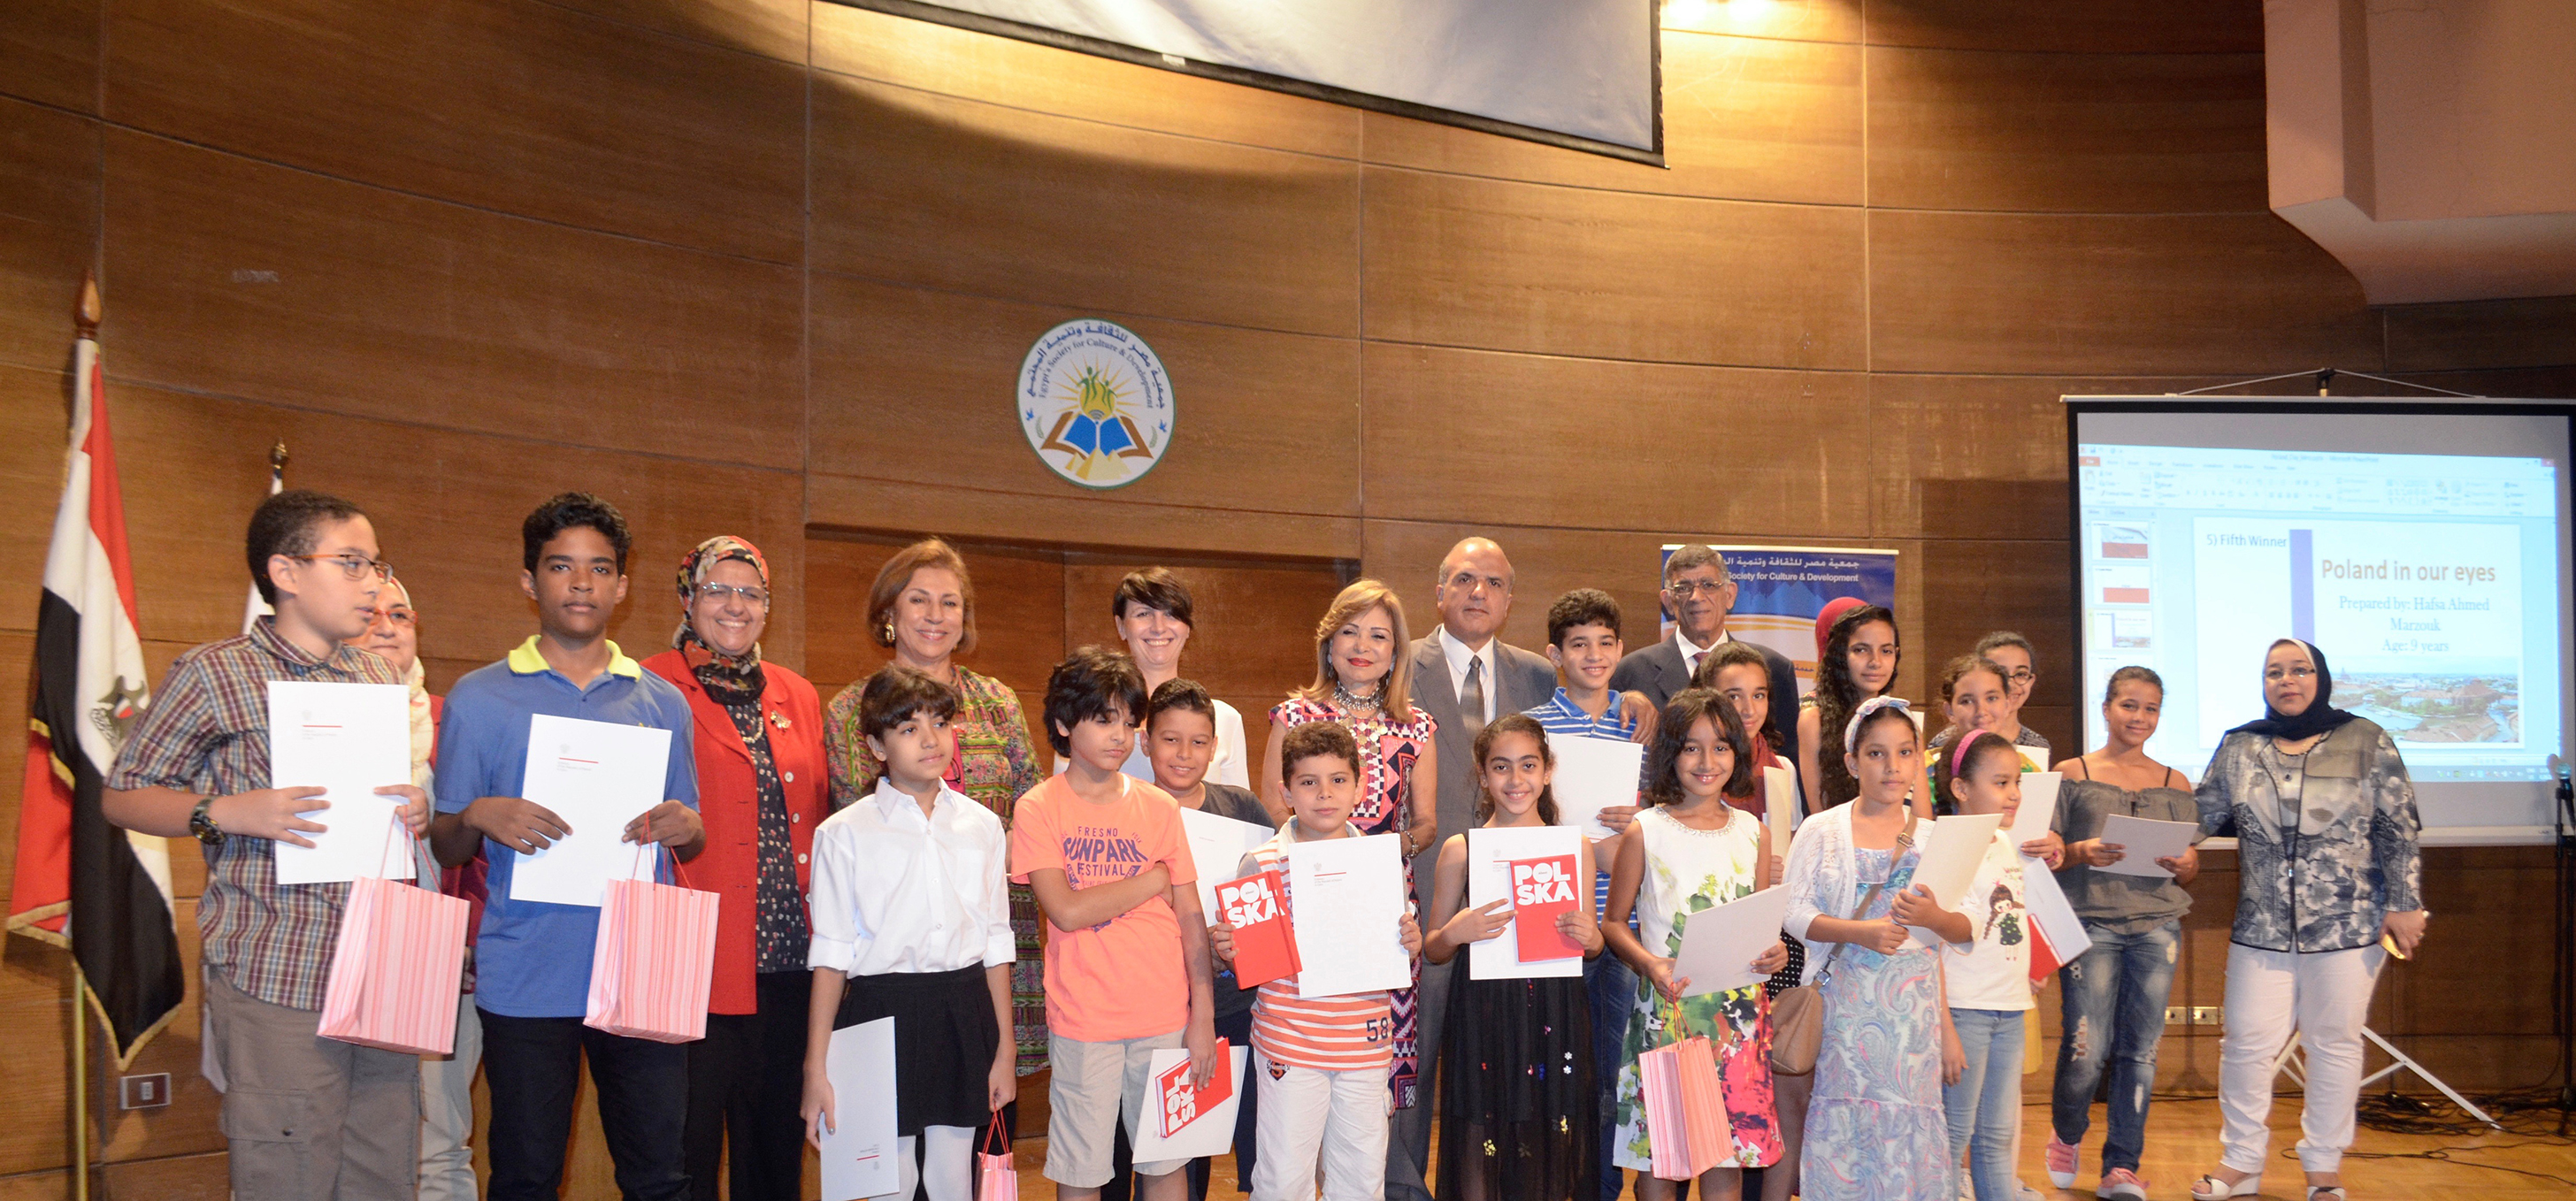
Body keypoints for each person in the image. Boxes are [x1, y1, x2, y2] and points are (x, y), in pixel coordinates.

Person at [103, 489, 431, 1201]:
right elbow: (123, 794)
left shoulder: (377, 674)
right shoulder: (214, 672)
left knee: (384, 1172)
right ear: (285, 572)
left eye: (376, 564)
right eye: (352, 563)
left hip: (379, 968)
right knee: (289, 1174)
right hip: (277, 967)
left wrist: (415, 808)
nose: (373, 583)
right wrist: (227, 811)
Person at [428, 493, 705, 1201]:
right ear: (529, 581)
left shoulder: (663, 702)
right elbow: (447, 845)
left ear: (622, 585)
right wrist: (479, 813)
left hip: (640, 969)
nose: (582, 583)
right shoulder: (478, 698)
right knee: (526, 1177)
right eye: (561, 566)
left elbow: (690, 829)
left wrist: (687, 825)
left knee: (660, 1177)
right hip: (526, 971)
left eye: (600, 568)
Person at [2189, 639, 2424, 1201]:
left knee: (2334, 1043)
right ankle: (2241, 1161)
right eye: (2274, 672)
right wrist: (2145, 832)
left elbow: (2398, 827)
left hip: (2349, 926)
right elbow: (2200, 815)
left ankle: (2322, 1167)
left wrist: (2405, 902)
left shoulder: (2366, 739)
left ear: (2320, 679)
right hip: (2261, 926)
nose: (2286, 681)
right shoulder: (2241, 745)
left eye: (2299, 670)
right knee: (2244, 1042)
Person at [642, 536, 829, 1201]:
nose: (734, 604)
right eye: (717, 589)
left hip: (788, 961)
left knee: (775, 1152)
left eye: (751, 593)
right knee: (687, 1151)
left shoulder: (797, 693)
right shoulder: (647, 684)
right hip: (691, 960)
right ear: (687, 597)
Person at [820, 538, 1047, 1075]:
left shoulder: (997, 701)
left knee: (988, 1095)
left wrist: (995, 845)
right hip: (898, 947)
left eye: (950, 603)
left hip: (993, 929)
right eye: (919, 600)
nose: (935, 615)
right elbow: (857, 813)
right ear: (890, 613)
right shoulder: (852, 709)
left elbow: (1034, 805)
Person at [1393, 539, 1573, 1201]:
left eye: (1493, 582)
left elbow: (1585, 710)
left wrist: (1632, 701)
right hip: (1427, 896)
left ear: (1509, 599)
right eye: (1464, 578)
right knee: (1414, 1061)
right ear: (1439, 591)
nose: (1478, 592)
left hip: (1521, 917)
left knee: (1504, 1068)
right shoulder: (1398, 663)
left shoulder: (1540, 675)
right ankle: (1402, 1186)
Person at [1011, 646, 1218, 1201]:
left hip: (1164, 1014)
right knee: (1082, 1172)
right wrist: (1153, 880)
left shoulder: (1159, 807)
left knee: (1166, 1162)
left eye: (1129, 723)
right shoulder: (1038, 807)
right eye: (1105, 720)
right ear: (1063, 724)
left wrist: (1202, 1014)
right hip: (1084, 1019)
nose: (1120, 736)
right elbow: (1066, 910)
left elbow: (1190, 918)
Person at [801, 666, 1014, 1201]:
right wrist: (816, 1066)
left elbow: (996, 940)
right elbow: (831, 956)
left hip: (962, 1006)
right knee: (889, 1180)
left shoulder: (982, 825)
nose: (930, 739)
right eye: (908, 728)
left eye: (940, 723)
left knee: (951, 1177)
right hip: (879, 1010)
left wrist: (1005, 1048)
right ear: (877, 746)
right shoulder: (843, 833)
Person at [1215, 721, 1426, 1201]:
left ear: (1359, 788)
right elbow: (1249, 964)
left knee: (1361, 1180)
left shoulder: (1380, 860)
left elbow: (1400, 940)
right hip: (1291, 1044)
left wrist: (1409, 941)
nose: (1324, 794)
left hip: (1365, 1047)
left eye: (1338, 780)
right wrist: (1232, 951)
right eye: (1309, 782)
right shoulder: (1263, 862)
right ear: (1287, 792)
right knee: (1283, 1180)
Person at [1261, 580, 1438, 1121]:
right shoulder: (1293, 716)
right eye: (1350, 631)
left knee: (1365, 1084)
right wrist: (1326, 858)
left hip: (1383, 905)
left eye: (1378, 635)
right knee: (1304, 1051)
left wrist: (1377, 855)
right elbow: (1272, 808)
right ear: (1329, 643)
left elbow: (1426, 824)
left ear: (1395, 651)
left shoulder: (1418, 726)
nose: (1363, 645)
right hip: (1301, 894)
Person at [1604, 691, 1788, 1201]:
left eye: (1721, 747)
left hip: (1738, 1016)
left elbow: (1757, 925)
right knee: (1664, 1155)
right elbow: (1614, 923)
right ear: (1670, 753)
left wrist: (1774, 952)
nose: (1707, 761)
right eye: (1691, 747)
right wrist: (1650, 964)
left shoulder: (1754, 832)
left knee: (1726, 1154)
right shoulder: (1646, 829)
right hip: (1671, 1012)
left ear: (1737, 753)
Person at [1782, 697, 1959, 1201]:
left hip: (1914, 1022)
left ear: (1918, 761)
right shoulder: (1821, 829)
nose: (1892, 766)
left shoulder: (1935, 837)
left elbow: (1958, 932)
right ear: (1852, 762)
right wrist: (1859, 932)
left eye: (1904, 753)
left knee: (1909, 1135)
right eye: (1877, 753)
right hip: (1844, 1012)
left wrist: (1934, 918)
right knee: (1847, 1133)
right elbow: (1792, 913)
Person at [1422, 715, 1603, 1201]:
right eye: (1501, 767)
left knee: (1552, 1125)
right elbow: (1433, 948)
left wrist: (1592, 937)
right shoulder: (1461, 848)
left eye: (1528, 765)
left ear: (1547, 771)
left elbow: (1592, 944)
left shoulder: (1575, 847)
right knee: (1481, 1127)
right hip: (1484, 1011)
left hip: (1554, 1008)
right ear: (1483, 775)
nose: (1515, 779)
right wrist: (1455, 932)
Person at [348, 576, 485, 1201]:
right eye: (370, 614)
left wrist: (470, 937)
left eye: (400, 614)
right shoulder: (304, 718)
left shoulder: (454, 721)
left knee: (438, 1139)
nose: (386, 626)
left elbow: (484, 847)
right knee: (335, 1137)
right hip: (325, 955)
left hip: (436, 955)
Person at [2045, 667, 2200, 1201]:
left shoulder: (2175, 782)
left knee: (2141, 1051)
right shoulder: (2072, 772)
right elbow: (2045, 855)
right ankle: (2067, 1133)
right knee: (2087, 1048)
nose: (2140, 717)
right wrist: (2081, 851)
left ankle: (2121, 1166)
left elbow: (2190, 865)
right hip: (2090, 923)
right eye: (2129, 705)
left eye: (2151, 708)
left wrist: (2187, 864)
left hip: (2158, 925)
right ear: (2107, 708)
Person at [1526, 589, 1647, 1201]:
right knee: (1547, 1071)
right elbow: (1518, 819)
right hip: (1554, 924)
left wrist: (1642, 819)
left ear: (1621, 649)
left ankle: (1602, 1187)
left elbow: (1671, 810)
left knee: (1608, 1075)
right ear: (1555, 655)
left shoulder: (1641, 722)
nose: (1593, 655)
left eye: (1604, 643)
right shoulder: (1535, 727)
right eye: (1578, 644)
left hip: (1622, 927)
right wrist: (1586, 850)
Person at [1144, 677, 1275, 1199]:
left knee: (1257, 1142)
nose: (1184, 754)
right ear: (1145, 742)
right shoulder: (1130, 811)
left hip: (1238, 1004)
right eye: (1170, 739)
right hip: (1160, 1007)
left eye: (1199, 741)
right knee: (1176, 1149)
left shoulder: (1242, 809)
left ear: (1215, 746)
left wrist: (1239, 938)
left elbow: (1273, 901)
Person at [1689, 641, 1808, 1201]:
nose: (1749, 707)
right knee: (1698, 1101)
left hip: (1769, 940)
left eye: (1759, 695)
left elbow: (1793, 839)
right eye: (1734, 695)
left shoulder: (1781, 768)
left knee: (1764, 1086)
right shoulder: (1696, 768)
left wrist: (1782, 865)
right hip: (1703, 947)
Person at [1931, 731, 2064, 1201]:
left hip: (2009, 1009)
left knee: (1997, 1138)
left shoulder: (2007, 843)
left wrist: (2028, 967)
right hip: (1965, 1009)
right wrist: (1946, 1028)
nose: (2014, 795)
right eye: (2001, 783)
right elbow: (1932, 945)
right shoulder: (1948, 847)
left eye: (2017, 783)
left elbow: (2011, 919)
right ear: (1961, 788)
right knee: (1953, 1136)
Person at [1610, 545, 1801, 771]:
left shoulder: (1774, 668)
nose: (1696, 597)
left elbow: (1788, 757)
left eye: (1708, 585)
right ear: (1668, 601)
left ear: (1730, 595)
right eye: (1684, 588)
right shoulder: (1632, 672)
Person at [1101, 568, 1252, 788]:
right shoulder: (1092, 717)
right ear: (1121, 626)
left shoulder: (1225, 719)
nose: (1159, 627)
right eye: (1143, 614)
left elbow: (1236, 806)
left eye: (1170, 614)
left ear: (1187, 628)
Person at [1798, 602, 1899, 815]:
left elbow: (1921, 815)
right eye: (1861, 650)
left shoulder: (1901, 719)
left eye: (1886, 651)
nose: (1876, 662)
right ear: (1840, 655)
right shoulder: (1814, 720)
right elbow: (1821, 816)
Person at [1971, 631, 2051, 761]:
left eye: (2021, 674)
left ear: (2031, 681)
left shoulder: (2038, 746)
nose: (2010, 684)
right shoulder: (1948, 741)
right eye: (2001, 673)